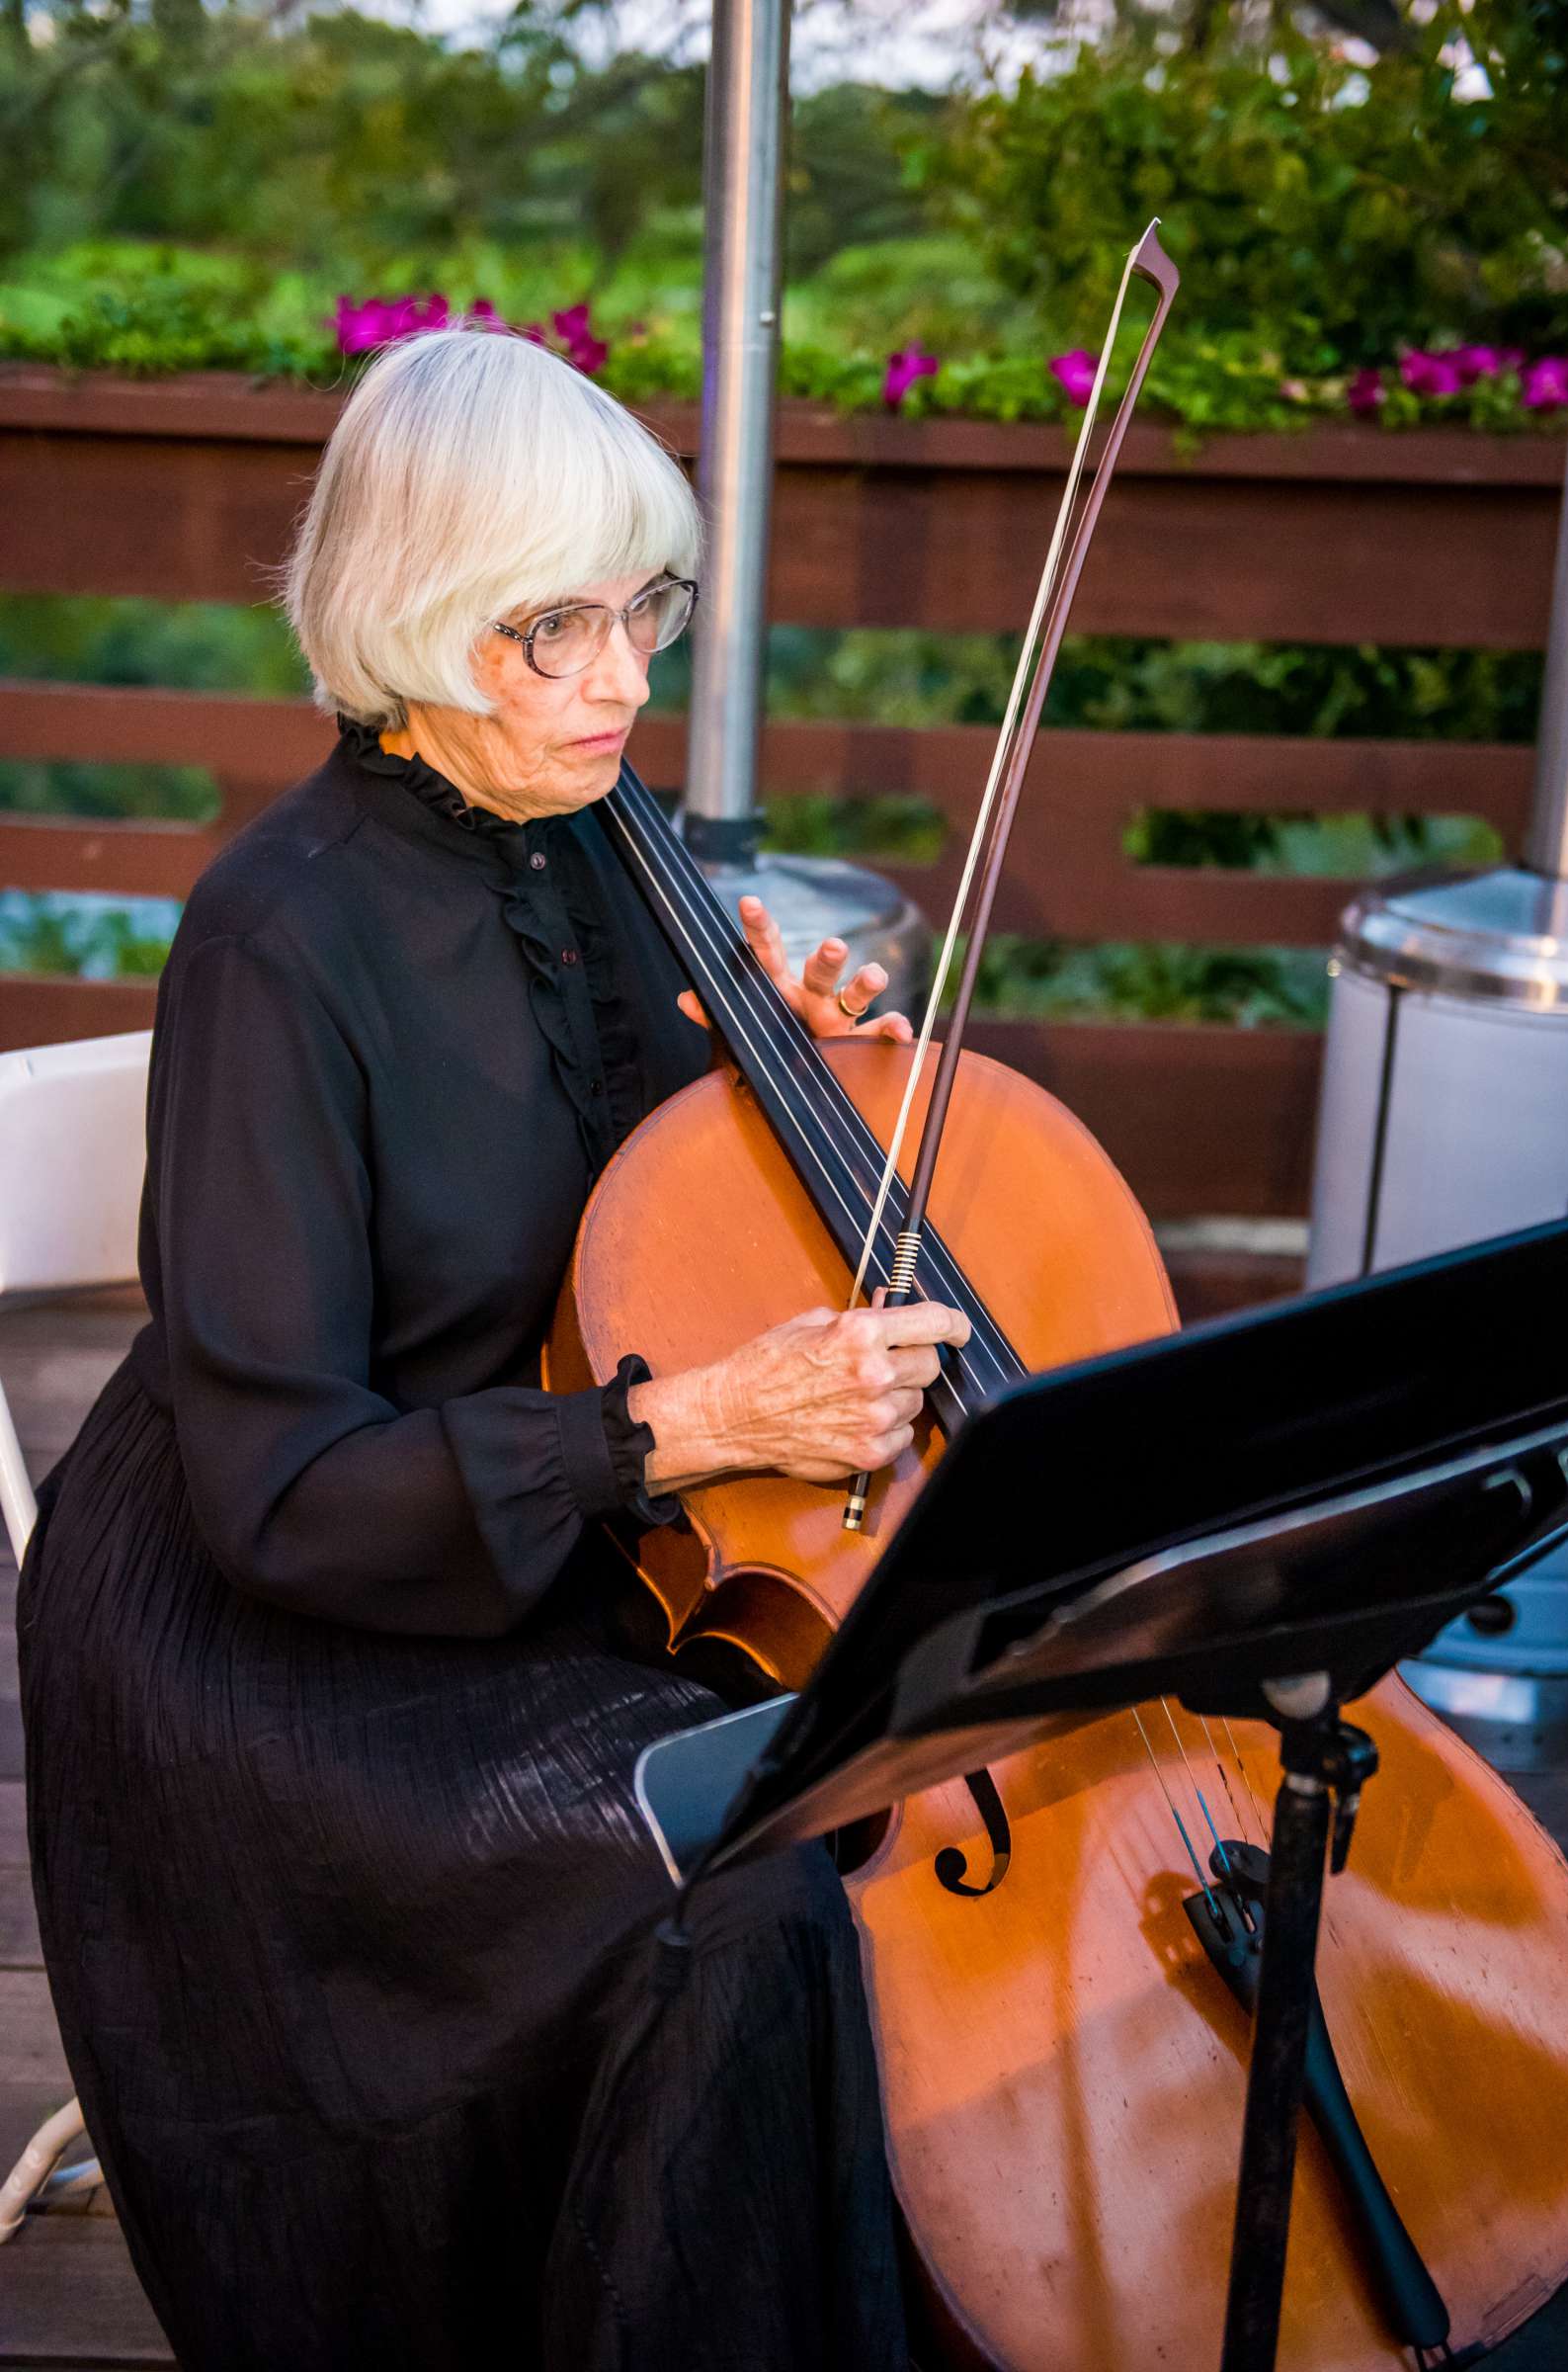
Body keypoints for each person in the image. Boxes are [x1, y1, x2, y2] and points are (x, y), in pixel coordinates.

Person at [17, 324, 969, 2371]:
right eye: (555, 626)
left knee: (861, 1782)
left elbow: (630, 1225)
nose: (625, 678)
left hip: (565, 1523)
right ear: (418, 619)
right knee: (734, 1881)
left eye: (645, 607)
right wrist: (689, 1430)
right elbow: (273, 1486)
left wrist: (786, 1086)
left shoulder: (616, 847)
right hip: (276, 1614)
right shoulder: (276, 937)